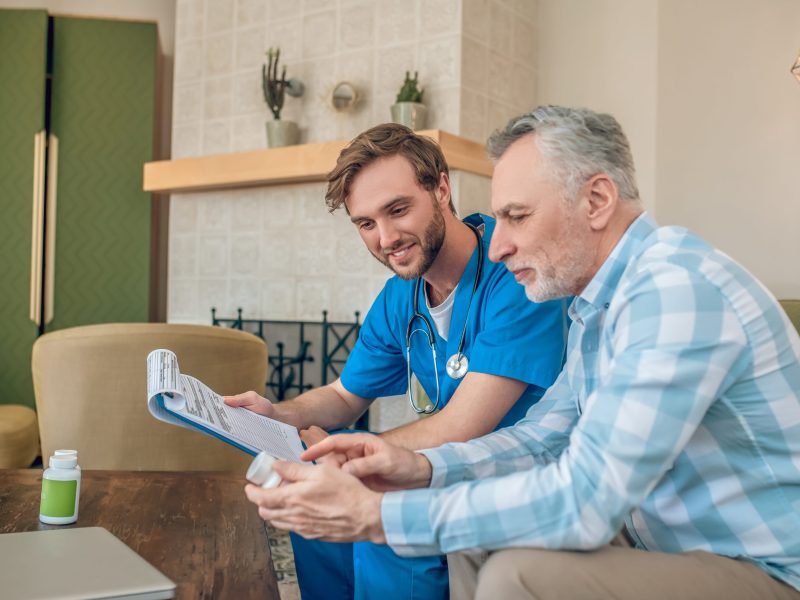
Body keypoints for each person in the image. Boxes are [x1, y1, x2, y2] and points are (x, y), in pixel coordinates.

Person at [244, 106, 800, 600]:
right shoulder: (596, 312)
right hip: (657, 538)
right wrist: (414, 467)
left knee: (516, 576)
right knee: (471, 539)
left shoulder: (675, 291)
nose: (500, 242)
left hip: (763, 567)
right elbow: (543, 435)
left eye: (517, 215)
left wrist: (378, 513)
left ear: (597, 201)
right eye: (366, 222)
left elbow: (585, 498)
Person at [225, 123, 569, 600]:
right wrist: (278, 413)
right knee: (314, 475)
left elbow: (462, 426)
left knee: (370, 487)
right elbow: (345, 396)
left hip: (514, 470)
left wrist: (353, 458)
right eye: (365, 223)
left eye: (398, 210)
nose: (385, 237)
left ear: (441, 187)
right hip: (449, 462)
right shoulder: (400, 297)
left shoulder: (514, 274)